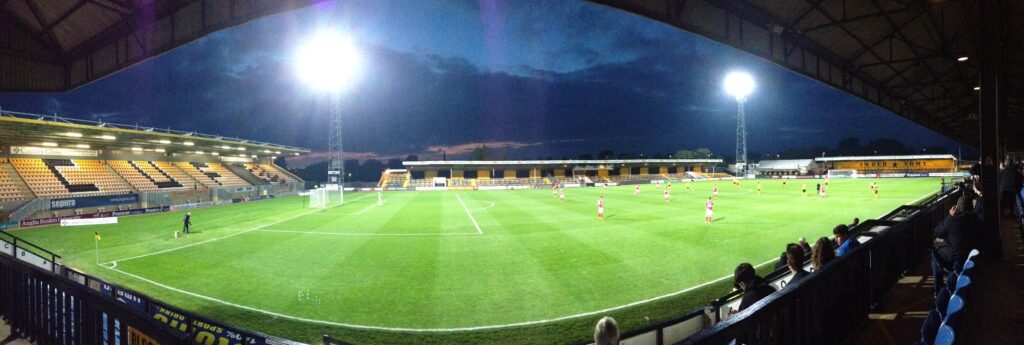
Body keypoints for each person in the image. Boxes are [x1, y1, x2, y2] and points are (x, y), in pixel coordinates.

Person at [931, 195, 971, 293]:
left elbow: (937, 232)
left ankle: (938, 289)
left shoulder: (953, 222)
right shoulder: (975, 220)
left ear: (957, 207)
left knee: (934, 256)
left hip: (955, 258)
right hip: (966, 257)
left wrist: (950, 216)